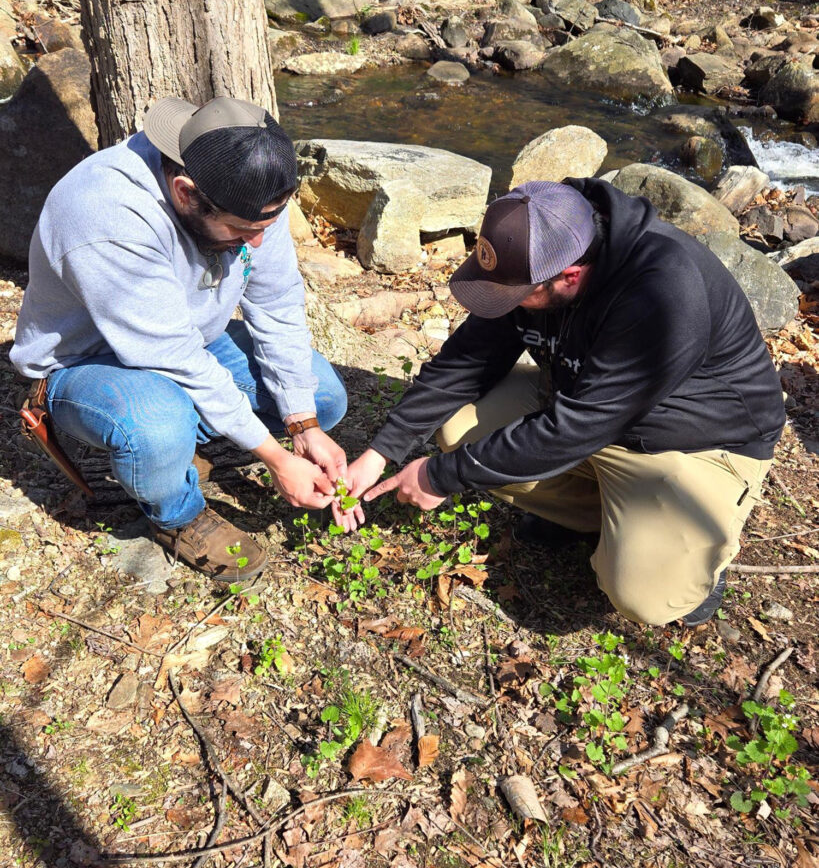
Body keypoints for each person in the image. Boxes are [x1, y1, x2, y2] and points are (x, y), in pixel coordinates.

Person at [337, 179, 786, 627]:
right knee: (456, 428)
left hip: (693, 444)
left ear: (570, 276)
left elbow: (574, 428)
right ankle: (596, 516)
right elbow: (468, 362)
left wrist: (439, 476)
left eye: (514, 296)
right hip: (586, 403)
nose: (505, 304)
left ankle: (698, 555)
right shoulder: (538, 248)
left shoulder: (664, 290)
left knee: (644, 597)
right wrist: (381, 452)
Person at [11, 96, 349, 581]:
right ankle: (175, 512)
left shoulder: (247, 187)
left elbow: (275, 305)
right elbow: (172, 358)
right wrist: (275, 458)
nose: (256, 242)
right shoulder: (106, 214)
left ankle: (174, 449)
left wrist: (302, 426)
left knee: (321, 396)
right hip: (86, 360)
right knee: (157, 424)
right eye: (242, 231)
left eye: (265, 228)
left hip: (188, 338)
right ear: (185, 193)